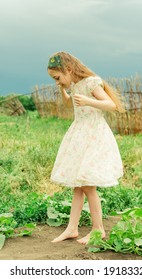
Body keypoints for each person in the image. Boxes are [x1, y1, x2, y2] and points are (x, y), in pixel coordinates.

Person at [47, 51, 124, 245]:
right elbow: (68, 103)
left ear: (69, 69)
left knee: (88, 185)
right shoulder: (75, 85)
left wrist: (89, 100)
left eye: (58, 77)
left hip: (94, 134)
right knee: (78, 184)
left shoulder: (91, 82)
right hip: (80, 134)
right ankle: (72, 228)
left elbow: (111, 104)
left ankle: (98, 230)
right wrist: (62, 89)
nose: (58, 81)